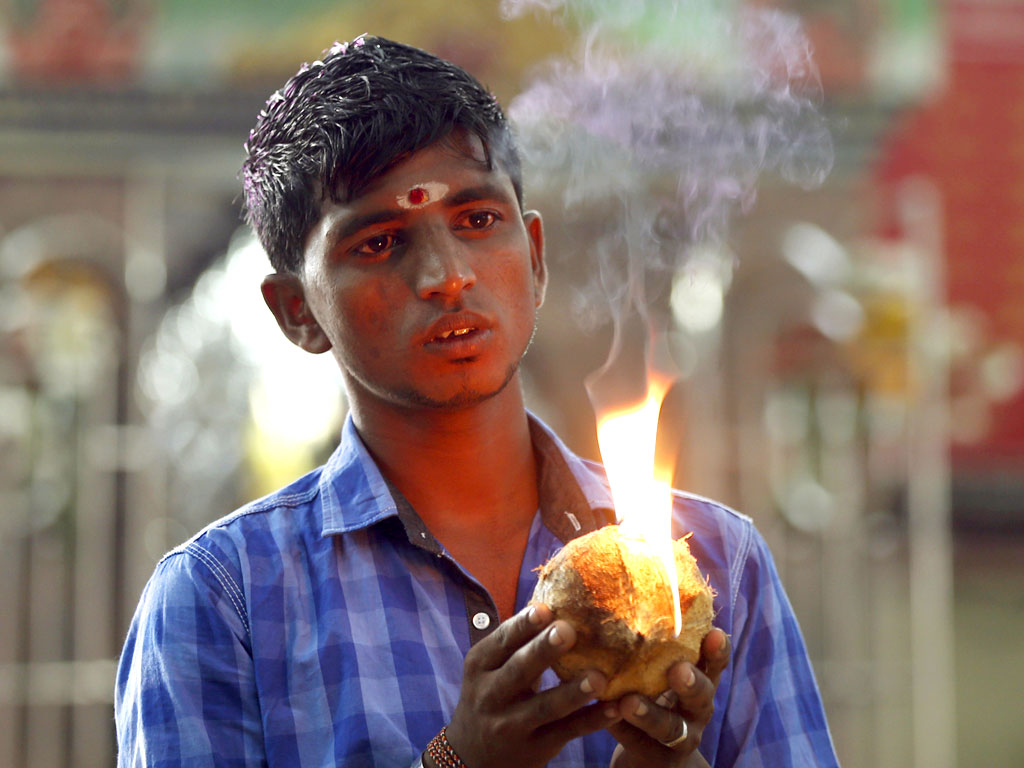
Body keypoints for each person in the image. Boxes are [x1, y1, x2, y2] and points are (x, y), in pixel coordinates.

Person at [115, 35, 840, 768]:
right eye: (378, 243)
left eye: (477, 221)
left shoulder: (717, 565)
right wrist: (457, 761)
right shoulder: (223, 599)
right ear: (297, 311)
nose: (446, 275)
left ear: (533, 255)